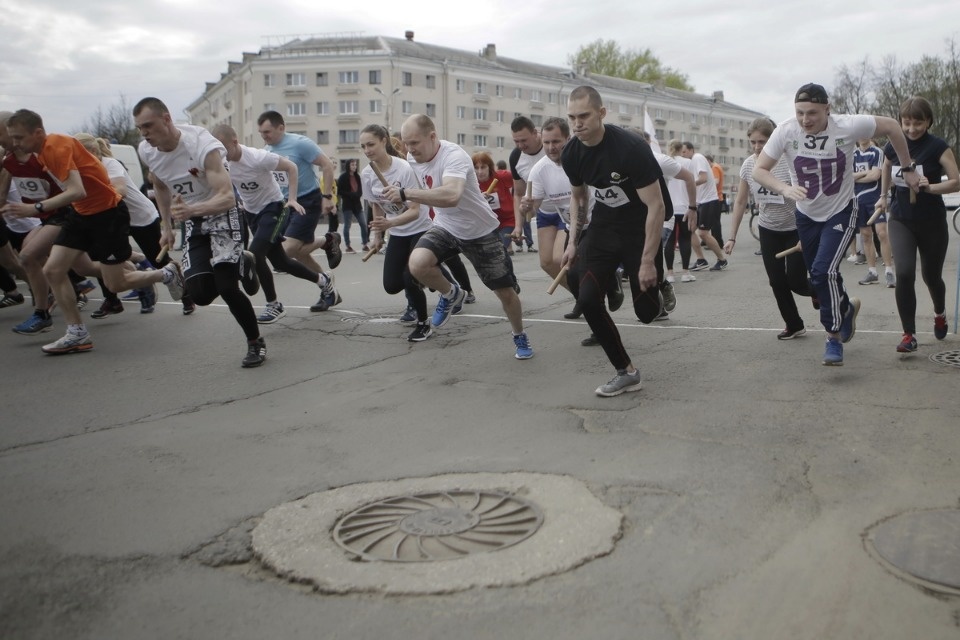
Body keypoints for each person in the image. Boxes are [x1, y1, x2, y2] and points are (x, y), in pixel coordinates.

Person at [754, 82, 919, 365]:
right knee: (825, 275)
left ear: (828, 110)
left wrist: (907, 167)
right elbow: (759, 170)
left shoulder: (848, 126)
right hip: (806, 215)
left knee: (821, 272)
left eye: (813, 113)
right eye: (800, 113)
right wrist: (784, 188)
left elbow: (893, 126)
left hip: (840, 211)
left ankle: (833, 337)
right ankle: (844, 308)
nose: (806, 120)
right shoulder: (785, 130)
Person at [1, 108, 183, 354]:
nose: (15, 143)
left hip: (107, 215)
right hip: (80, 214)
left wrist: (35, 208)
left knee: (116, 283)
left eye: (19, 137)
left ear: (38, 132)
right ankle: (77, 333)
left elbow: (77, 190)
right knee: (53, 270)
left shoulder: (57, 146)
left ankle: (167, 274)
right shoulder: (42, 152)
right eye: (12, 137)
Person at [385, 113, 533, 359]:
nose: (410, 150)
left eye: (414, 143)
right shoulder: (412, 157)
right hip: (446, 225)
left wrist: (405, 194)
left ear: (432, 137)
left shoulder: (454, 156)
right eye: (406, 144)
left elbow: (452, 195)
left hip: (480, 230)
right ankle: (452, 293)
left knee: (505, 292)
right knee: (417, 264)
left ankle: (519, 335)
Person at [134, 97, 266, 367]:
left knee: (227, 287)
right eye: (139, 128)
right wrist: (167, 226)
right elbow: (159, 184)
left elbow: (228, 197)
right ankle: (244, 260)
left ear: (167, 119)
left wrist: (192, 212)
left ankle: (255, 343)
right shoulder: (147, 150)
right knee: (200, 294)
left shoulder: (202, 146)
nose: (145, 133)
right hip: (191, 217)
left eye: (148, 125)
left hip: (222, 213)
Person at [560, 85, 666, 396]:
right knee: (588, 299)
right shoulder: (572, 152)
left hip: (639, 227)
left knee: (646, 313)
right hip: (605, 227)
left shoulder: (630, 148)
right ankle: (626, 371)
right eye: (572, 117)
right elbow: (578, 198)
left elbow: (656, 206)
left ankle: (655, 290)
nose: (577, 123)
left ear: (601, 113)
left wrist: (647, 261)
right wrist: (571, 242)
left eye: (584, 116)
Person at [211, 124, 339, 324]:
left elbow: (291, 167)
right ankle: (324, 281)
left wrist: (293, 199)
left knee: (255, 254)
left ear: (234, 142)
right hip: (252, 213)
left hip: (273, 207)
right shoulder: (221, 163)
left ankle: (274, 305)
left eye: (223, 149)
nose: (220, 155)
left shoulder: (257, 157)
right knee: (281, 262)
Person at [874, 96, 959, 353]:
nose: (911, 129)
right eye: (906, 123)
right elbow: (887, 165)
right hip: (901, 219)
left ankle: (939, 312)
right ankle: (908, 334)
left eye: (918, 123)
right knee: (904, 273)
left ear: (928, 122)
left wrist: (929, 186)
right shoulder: (894, 144)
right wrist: (883, 196)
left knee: (931, 276)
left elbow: (956, 181)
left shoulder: (938, 147)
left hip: (932, 221)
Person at [726, 117, 814, 340]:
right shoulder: (748, 165)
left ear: (773, 140)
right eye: (753, 142)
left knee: (796, 281)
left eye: (762, 142)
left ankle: (819, 291)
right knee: (776, 281)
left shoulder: (788, 161)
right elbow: (740, 201)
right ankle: (794, 324)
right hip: (768, 229)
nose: (757, 147)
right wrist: (732, 237)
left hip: (795, 228)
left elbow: (807, 196)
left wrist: (808, 232)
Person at [257, 111, 342, 312]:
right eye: (261, 133)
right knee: (297, 253)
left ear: (281, 127)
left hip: (308, 200)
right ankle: (328, 288)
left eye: (267, 132)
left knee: (286, 252)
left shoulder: (300, 143)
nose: (264, 136)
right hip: (284, 203)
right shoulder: (267, 149)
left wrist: (327, 196)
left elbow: (327, 165)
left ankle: (326, 240)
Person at [361, 124, 435, 342]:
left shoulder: (404, 169)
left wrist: (389, 223)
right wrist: (378, 236)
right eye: (363, 146)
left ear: (384, 141)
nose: (367, 150)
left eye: (371, 144)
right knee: (392, 285)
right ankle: (430, 275)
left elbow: (415, 211)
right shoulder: (368, 173)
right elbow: (375, 204)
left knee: (408, 276)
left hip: (420, 227)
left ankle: (423, 323)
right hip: (397, 231)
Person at [852, 138, 895, 288]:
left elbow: (875, 176)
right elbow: (847, 178)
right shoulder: (853, 154)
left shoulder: (877, 152)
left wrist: (857, 177)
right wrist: (865, 173)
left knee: (882, 233)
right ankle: (872, 272)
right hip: (858, 200)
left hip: (875, 198)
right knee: (865, 235)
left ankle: (889, 271)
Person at [681, 142, 727, 271]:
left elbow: (703, 178)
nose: (682, 154)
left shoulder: (698, 158)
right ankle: (701, 260)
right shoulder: (691, 162)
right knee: (689, 229)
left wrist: (688, 184)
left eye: (684, 151)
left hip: (710, 200)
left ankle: (722, 260)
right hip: (700, 202)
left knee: (703, 233)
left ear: (691, 150)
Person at [472, 151, 515, 253]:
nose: (480, 171)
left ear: (489, 167)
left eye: (483, 167)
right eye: (476, 168)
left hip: (506, 221)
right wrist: (478, 198)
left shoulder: (502, 177)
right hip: (487, 224)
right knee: (490, 254)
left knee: (500, 250)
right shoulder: (472, 183)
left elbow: (521, 179)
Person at [509, 116, 541, 253]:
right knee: (547, 262)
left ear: (535, 133)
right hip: (542, 212)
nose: (521, 145)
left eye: (524, 140)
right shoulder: (515, 157)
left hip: (564, 206)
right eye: (516, 141)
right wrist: (518, 226)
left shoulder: (551, 146)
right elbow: (519, 193)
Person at [336, 159, 369, 253]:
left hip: (357, 205)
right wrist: (351, 194)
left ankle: (365, 244)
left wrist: (357, 194)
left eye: (355, 165)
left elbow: (360, 190)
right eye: (352, 165)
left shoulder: (357, 176)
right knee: (347, 226)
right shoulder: (342, 177)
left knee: (363, 223)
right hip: (347, 205)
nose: (354, 166)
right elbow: (340, 192)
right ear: (348, 166)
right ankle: (348, 245)